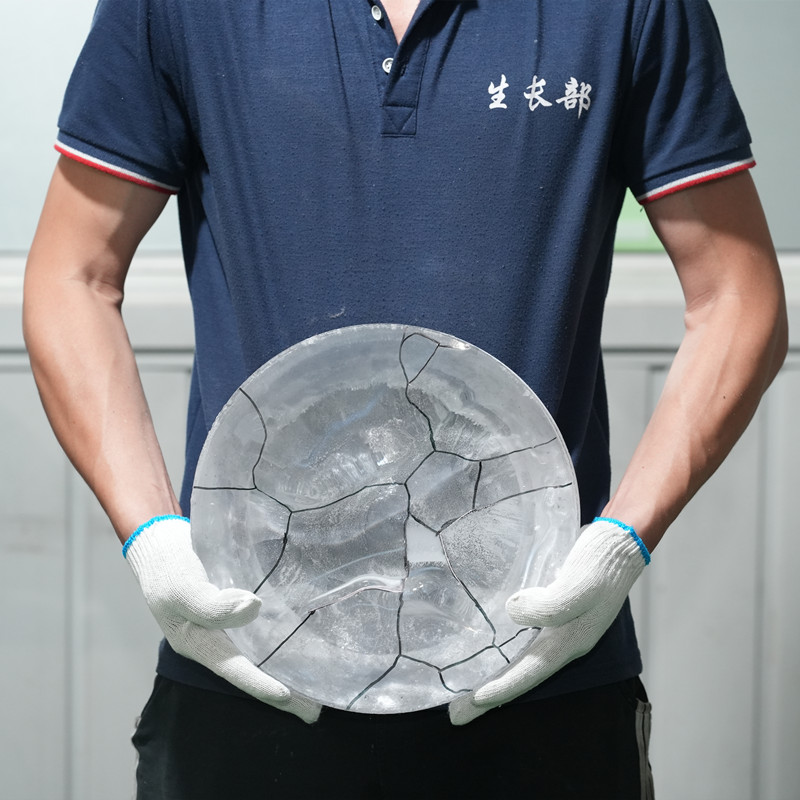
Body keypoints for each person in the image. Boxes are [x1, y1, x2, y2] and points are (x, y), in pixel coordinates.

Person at [23, 0, 787, 797]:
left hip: (539, 659)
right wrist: (149, 534)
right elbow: (73, 274)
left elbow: (737, 296)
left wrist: (623, 541)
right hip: (249, 654)